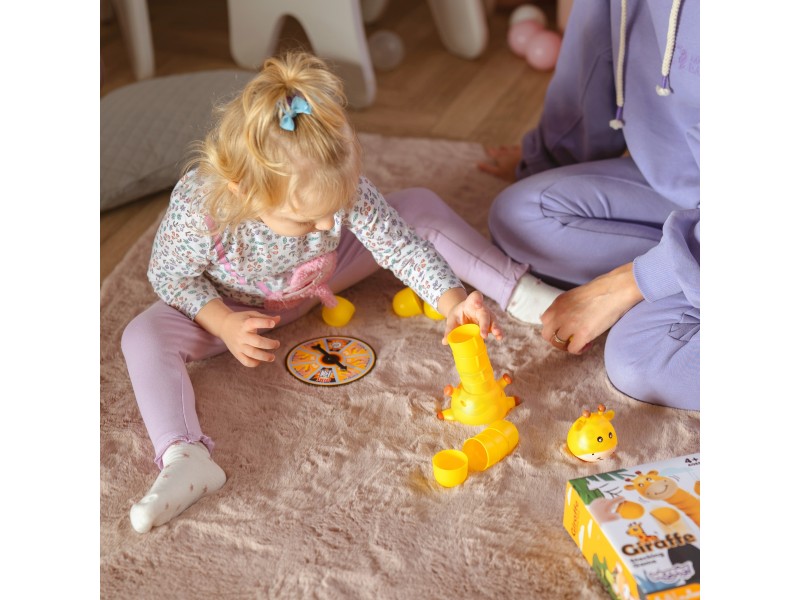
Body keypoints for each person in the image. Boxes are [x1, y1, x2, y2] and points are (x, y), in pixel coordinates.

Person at [120, 51, 505, 534]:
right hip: (236, 309)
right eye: (306, 219)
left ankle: (519, 287)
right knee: (142, 336)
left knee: (416, 209)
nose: (326, 225)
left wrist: (452, 301)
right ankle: (185, 455)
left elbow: (399, 246)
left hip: (323, 279)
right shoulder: (201, 207)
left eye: (336, 208)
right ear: (243, 191)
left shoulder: (335, 187)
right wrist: (222, 321)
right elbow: (169, 276)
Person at [475, 0, 699, 411]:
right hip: (686, 190)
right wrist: (544, 160)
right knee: (519, 216)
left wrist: (628, 284)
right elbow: (593, 55)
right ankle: (686, 267)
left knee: (639, 359)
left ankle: (683, 271)